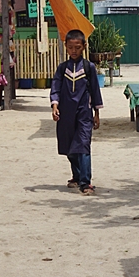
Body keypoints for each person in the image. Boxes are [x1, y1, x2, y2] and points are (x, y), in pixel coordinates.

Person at [50, 29, 103, 195]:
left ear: (84, 47)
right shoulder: (62, 68)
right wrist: (54, 106)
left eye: (77, 47)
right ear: (65, 46)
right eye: (71, 47)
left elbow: (95, 90)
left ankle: (85, 183)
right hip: (66, 114)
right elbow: (56, 88)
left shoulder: (89, 67)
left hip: (84, 113)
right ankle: (77, 175)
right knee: (70, 148)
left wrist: (97, 113)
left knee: (83, 146)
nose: (74, 50)